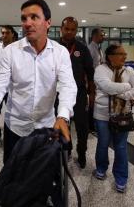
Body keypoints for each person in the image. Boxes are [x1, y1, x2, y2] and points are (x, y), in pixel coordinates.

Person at [0, 0, 77, 164]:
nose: (27, 23)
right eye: (24, 19)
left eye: (34, 17)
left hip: (46, 127)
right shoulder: (10, 52)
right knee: (13, 174)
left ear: (48, 23)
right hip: (16, 127)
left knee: (41, 176)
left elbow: (68, 86)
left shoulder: (60, 53)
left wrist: (63, 116)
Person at [93, 44, 134, 193]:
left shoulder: (129, 70)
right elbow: (107, 86)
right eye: (121, 54)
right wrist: (128, 87)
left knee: (121, 146)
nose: (125, 56)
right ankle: (101, 168)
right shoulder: (100, 69)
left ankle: (121, 178)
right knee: (103, 143)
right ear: (110, 56)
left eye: (125, 54)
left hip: (123, 114)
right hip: (102, 115)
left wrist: (122, 94)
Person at [58, 16, 94, 168]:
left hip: (78, 93)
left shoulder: (82, 48)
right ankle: (67, 150)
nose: (69, 32)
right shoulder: (53, 47)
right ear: (61, 29)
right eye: (67, 29)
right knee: (63, 123)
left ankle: (82, 152)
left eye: (73, 29)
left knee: (82, 126)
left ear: (76, 31)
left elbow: (90, 73)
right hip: (58, 94)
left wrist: (92, 94)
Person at [87, 28, 105, 134]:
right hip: (92, 80)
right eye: (101, 35)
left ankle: (94, 123)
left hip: (98, 80)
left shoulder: (99, 49)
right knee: (92, 103)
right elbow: (89, 67)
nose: (103, 37)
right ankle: (90, 126)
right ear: (94, 36)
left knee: (96, 102)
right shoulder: (90, 49)